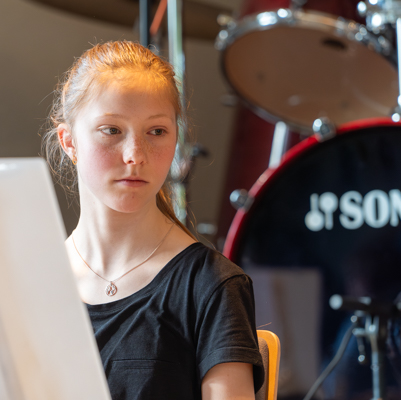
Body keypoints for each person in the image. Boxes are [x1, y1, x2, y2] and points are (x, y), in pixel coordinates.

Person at [42, 40, 263, 400]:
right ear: (69, 142)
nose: (135, 155)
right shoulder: (31, 284)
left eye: (156, 131)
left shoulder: (212, 286)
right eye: (112, 130)